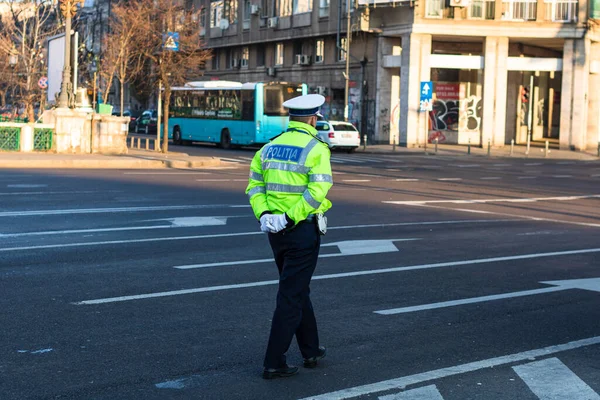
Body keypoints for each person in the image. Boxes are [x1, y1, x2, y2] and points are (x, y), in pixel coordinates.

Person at [245, 93, 333, 379]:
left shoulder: (269, 147)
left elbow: (254, 187)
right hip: (301, 230)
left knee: (297, 289)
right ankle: (274, 361)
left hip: (275, 232)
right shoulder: (316, 148)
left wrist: (265, 215)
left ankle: (311, 350)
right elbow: (317, 192)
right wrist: (290, 216)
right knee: (291, 295)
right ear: (312, 119)